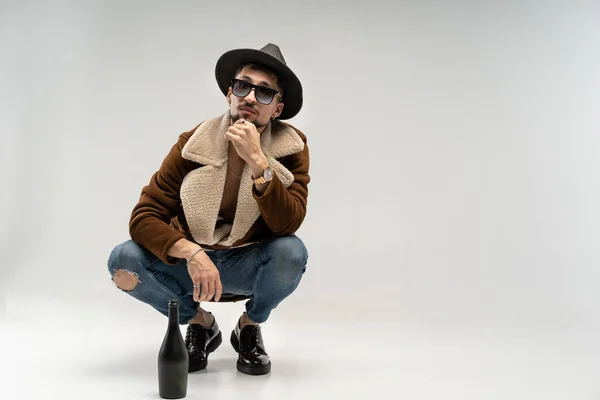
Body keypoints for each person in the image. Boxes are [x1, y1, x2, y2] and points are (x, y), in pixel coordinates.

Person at [107, 43, 310, 376]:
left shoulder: (292, 148)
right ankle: (200, 323)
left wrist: (259, 163)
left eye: (264, 92)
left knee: (292, 252)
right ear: (229, 93)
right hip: (192, 266)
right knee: (123, 260)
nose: (249, 97)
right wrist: (191, 253)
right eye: (243, 86)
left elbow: (288, 223)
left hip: (247, 262)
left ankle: (249, 326)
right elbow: (143, 217)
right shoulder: (193, 142)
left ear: (277, 108)